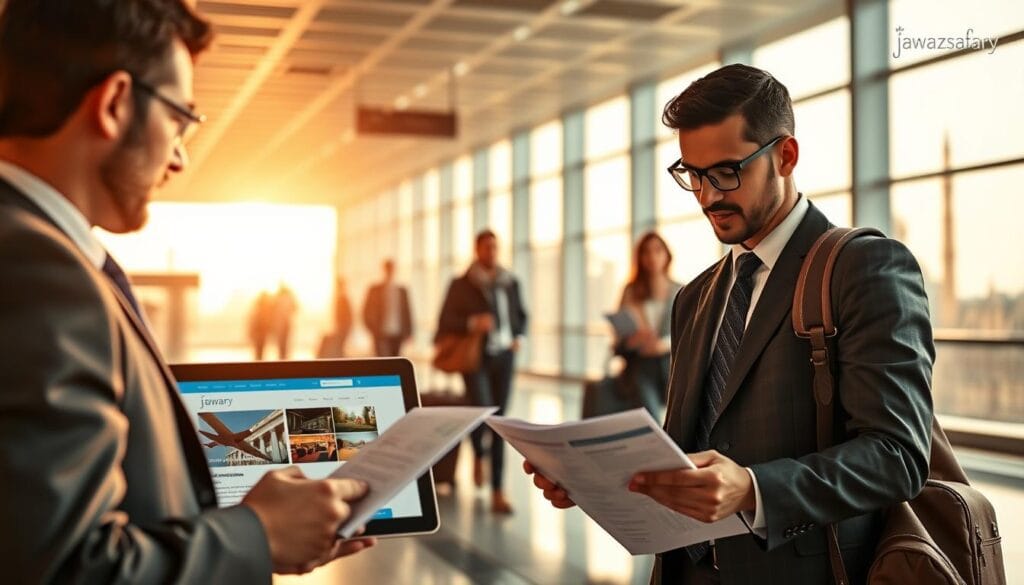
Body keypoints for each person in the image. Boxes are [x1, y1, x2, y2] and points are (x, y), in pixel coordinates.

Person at [0, 1, 375, 582]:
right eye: (180, 119)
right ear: (115, 103)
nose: (179, 156)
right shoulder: (40, 272)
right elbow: (68, 568)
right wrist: (259, 535)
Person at [525, 64, 933, 584]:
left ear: (786, 156)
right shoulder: (695, 297)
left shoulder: (864, 268)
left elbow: (897, 455)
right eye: (692, 175)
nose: (707, 196)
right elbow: (686, 451)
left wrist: (754, 489)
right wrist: (595, 483)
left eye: (725, 172)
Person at [437, 230, 527, 514]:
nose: (491, 251)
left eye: (495, 247)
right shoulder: (461, 284)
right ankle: (478, 452)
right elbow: (445, 320)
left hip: (504, 356)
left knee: (500, 420)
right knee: (482, 412)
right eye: (486, 247)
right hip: (474, 359)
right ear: (477, 250)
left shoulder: (510, 281)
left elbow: (522, 315)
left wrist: (518, 338)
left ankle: (498, 491)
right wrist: (472, 323)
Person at [614, 231, 683, 417]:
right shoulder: (630, 291)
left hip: (672, 365)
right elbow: (618, 338)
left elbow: (689, 333)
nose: (652, 257)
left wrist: (660, 346)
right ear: (639, 258)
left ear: (667, 255)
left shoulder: (680, 290)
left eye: (657, 251)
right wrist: (632, 341)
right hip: (640, 366)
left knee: (676, 418)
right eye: (646, 252)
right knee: (649, 416)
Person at [362, 259, 413, 357]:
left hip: (398, 334)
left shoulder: (402, 290)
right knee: (382, 361)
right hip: (380, 334)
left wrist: (409, 332)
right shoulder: (374, 290)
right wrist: (373, 329)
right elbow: (366, 312)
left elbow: (407, 312)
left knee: (395, 361)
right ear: (384, 270)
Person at [271, 282, 297, 360]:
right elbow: (295, 308)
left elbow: (272, 310)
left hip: (282, 323)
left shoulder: (278, 297)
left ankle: (283, 358)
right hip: (284, 323)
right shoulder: (288, 297)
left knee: (282, 343)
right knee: (284, 343)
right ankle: (284, 358)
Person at [248, 290, 274, 360]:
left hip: (261, 333)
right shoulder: (260, 309)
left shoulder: (260, 308)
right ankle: (259, 364)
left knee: (259, 351)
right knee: (259, 350)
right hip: (260, 333)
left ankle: (258, 364)